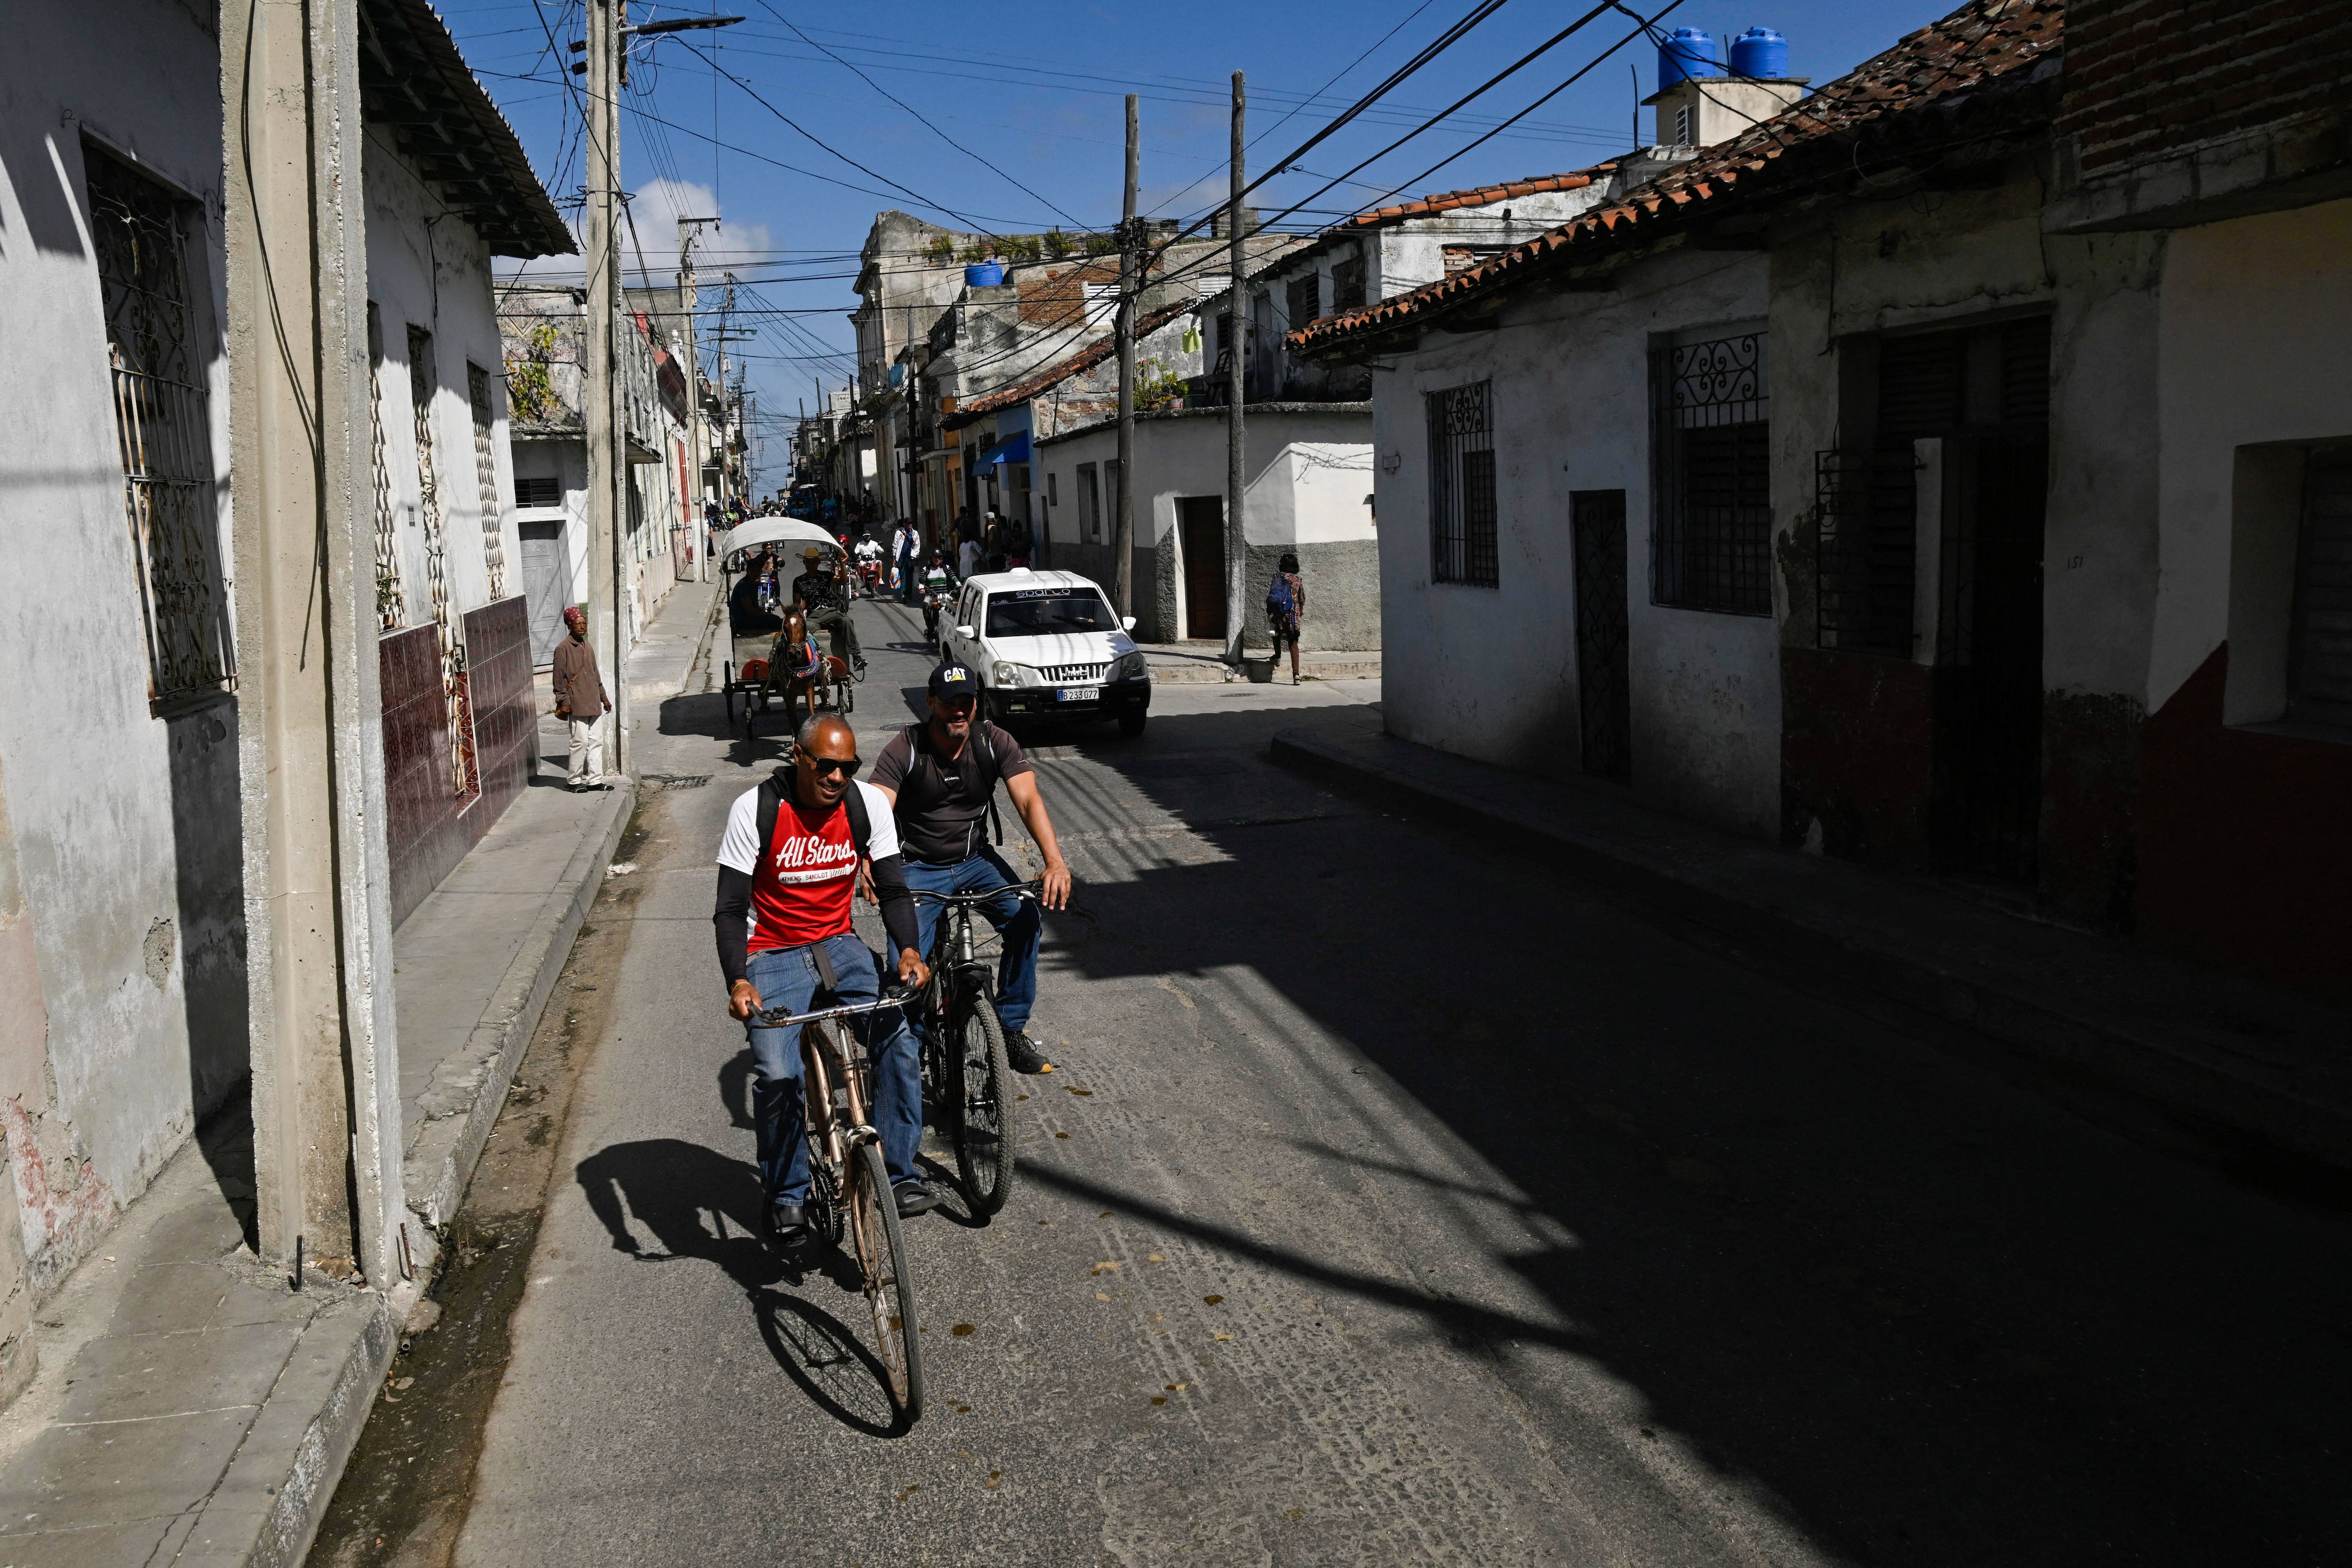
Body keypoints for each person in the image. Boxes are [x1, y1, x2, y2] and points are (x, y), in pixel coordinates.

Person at [716, 716, 937, 1235]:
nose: (837, 777)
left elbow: (894, 888)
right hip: (772, 952)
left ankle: (900, 1174)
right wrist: (738, 980)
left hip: (840, 944)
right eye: (826, 765)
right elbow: (730, 909)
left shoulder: (867, 805)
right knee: (778, 1073)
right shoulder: (755, 809)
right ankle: (787, 1194)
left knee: (898, 1040)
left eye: (848, 767)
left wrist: (908, 950)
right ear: (798, 756)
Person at [870, 662, 1071, 1076]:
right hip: (916, 866)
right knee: (903, 963)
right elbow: (875, 808)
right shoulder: (906, 748)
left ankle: (1010, 1028)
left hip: (975, 861)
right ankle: (911, 1046)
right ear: (931, 703)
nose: (959, 711)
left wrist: (1055, 861)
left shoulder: (993, 741)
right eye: (949, 703)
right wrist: (867, 862)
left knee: (1026, 918)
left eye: (966, 702)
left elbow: (1028, 800)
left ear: (976, 704)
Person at [552, 606, 612, 790]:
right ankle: (574, 781)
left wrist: (604, 698)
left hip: (594, 703)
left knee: (596, 742)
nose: (582, 627)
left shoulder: (588, 646)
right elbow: (558, 681)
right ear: (570, 626)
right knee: (580, 742)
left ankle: (595, 781)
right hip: (576, 704)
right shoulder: (562, 649)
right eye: (578, 624)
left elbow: (595, 675)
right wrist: (565, 701)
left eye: (584, 623)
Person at [790, 545, 865, 678]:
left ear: (818, 563)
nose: (811, 565)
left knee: (846, 621)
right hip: (812, 617)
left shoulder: (826, 575)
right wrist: (800, 613)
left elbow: (842, 581)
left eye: (813, 562)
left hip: (829, 613)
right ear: (805, 563)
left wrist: (843, 564)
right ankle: (805, 662)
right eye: (808, 562)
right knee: (803, 633)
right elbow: (796, 605)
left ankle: (856, 657)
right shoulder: (798, 581)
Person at [1267, 550, 1306, 685]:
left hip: (1280, 612)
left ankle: (1277, 656)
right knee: (1293, 643)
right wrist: (1301, 611)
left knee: (1276, 632)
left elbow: (1273, 596)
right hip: (1293, 615)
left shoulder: (1277, 577)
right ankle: (1296, 675)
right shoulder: (1298, 580)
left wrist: (1270, 613)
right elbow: (1302, 599)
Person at [916, 548, 957, 644]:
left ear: (942, 558)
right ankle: (930, 628)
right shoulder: (926, 569)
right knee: (925, 605)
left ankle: (956, 629)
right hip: (931, 596)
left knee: (957, 607)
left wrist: (960, 586)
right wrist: (922, 589)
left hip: (946, 596)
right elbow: (922, 580)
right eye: (936, 557)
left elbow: (954, 577)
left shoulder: (946, 568)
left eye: (939, 557)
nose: (938, 559)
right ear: (932, 558)